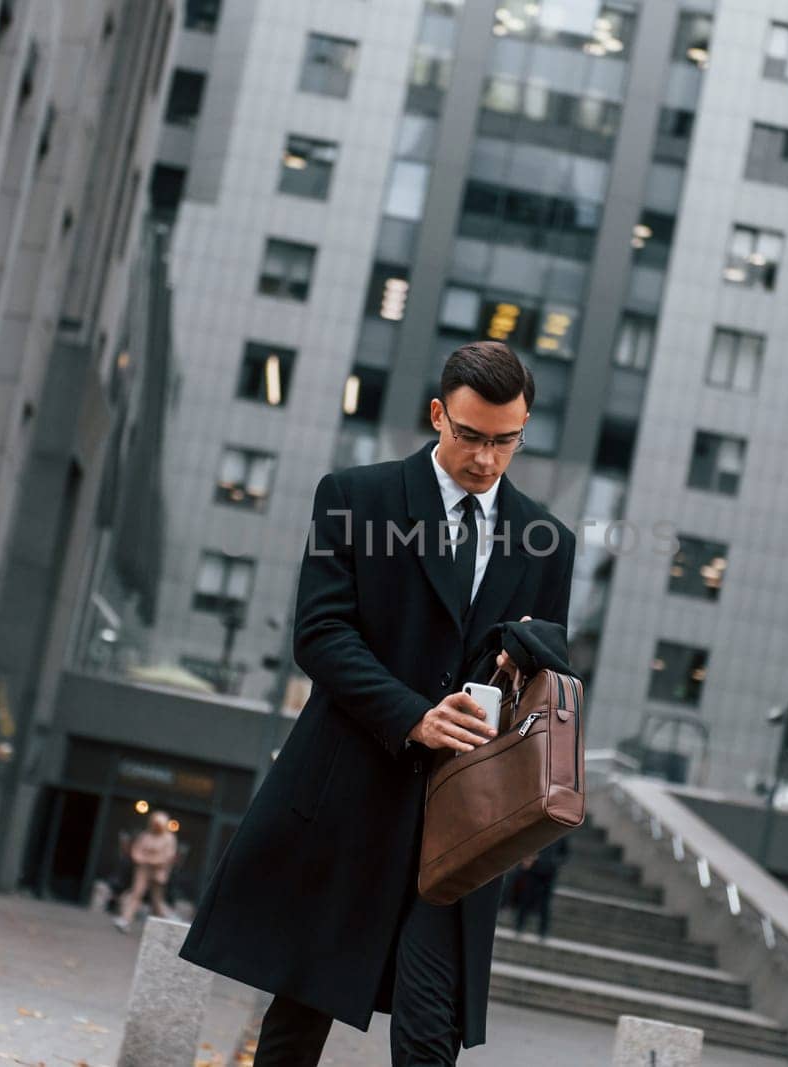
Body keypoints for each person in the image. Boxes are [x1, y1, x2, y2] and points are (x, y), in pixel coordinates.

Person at [178, 341, 577, 1066]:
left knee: (431, 1033)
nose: (487, 459)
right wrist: (413, 714)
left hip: (462, 819)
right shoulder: (356, 497)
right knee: (300, 1014)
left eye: (506, 441)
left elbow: (554, 659)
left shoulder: (548, 540)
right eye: (471, 436)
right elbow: (320, 633)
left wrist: (528, 647)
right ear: (437, 415)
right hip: (353, 793)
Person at [113, 811, 178, 931]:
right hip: (143, 870)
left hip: (158, 872)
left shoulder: (169, 838)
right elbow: (136, 851)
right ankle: (125, 919)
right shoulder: (146, 835)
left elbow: (168, 856)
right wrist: (141, 859)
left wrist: (151, 860)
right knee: (136, 893)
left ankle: (165, 926)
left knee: (157, 901)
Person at [512, 838, 568, 940]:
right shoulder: (543, 829)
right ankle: (519, 926)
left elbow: (565, 854)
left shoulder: (562, 835)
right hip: (533, 870)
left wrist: (555, 863)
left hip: (549, 874)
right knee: (525, 898)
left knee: (545, 904)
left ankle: (543, 931)